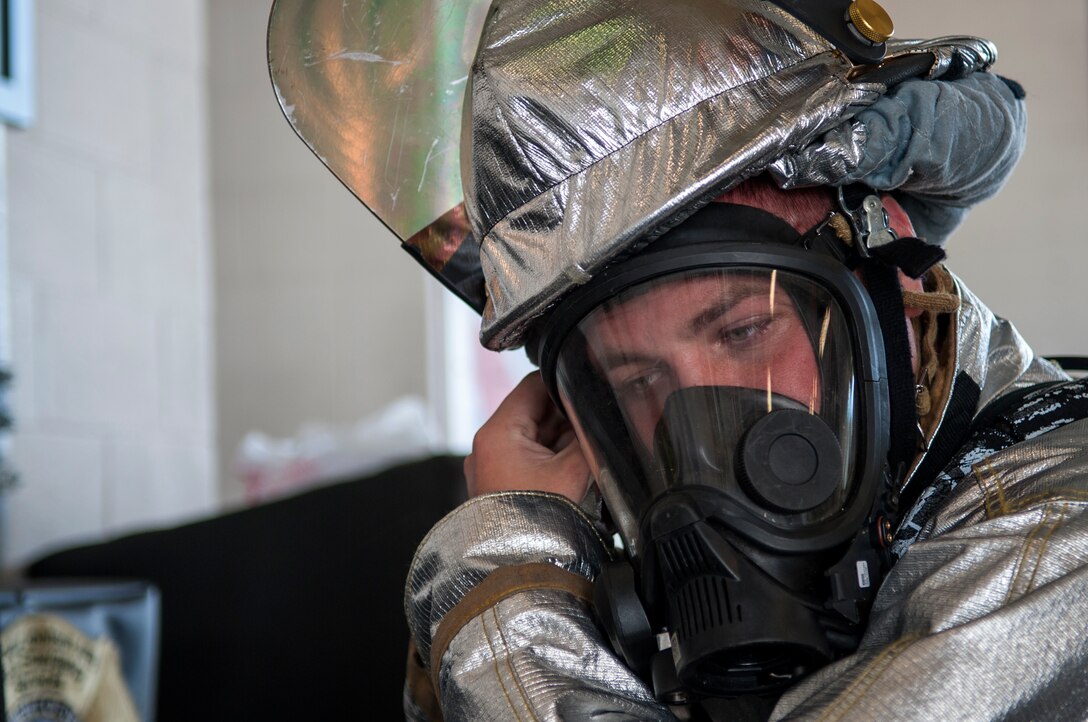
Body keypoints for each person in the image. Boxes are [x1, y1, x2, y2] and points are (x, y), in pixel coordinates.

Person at [398, 0, 1088, 719]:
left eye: (743, 330)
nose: (701, 425)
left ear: (895, 274)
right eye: (638, 379)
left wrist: (503, 587)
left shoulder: (1060, 544)